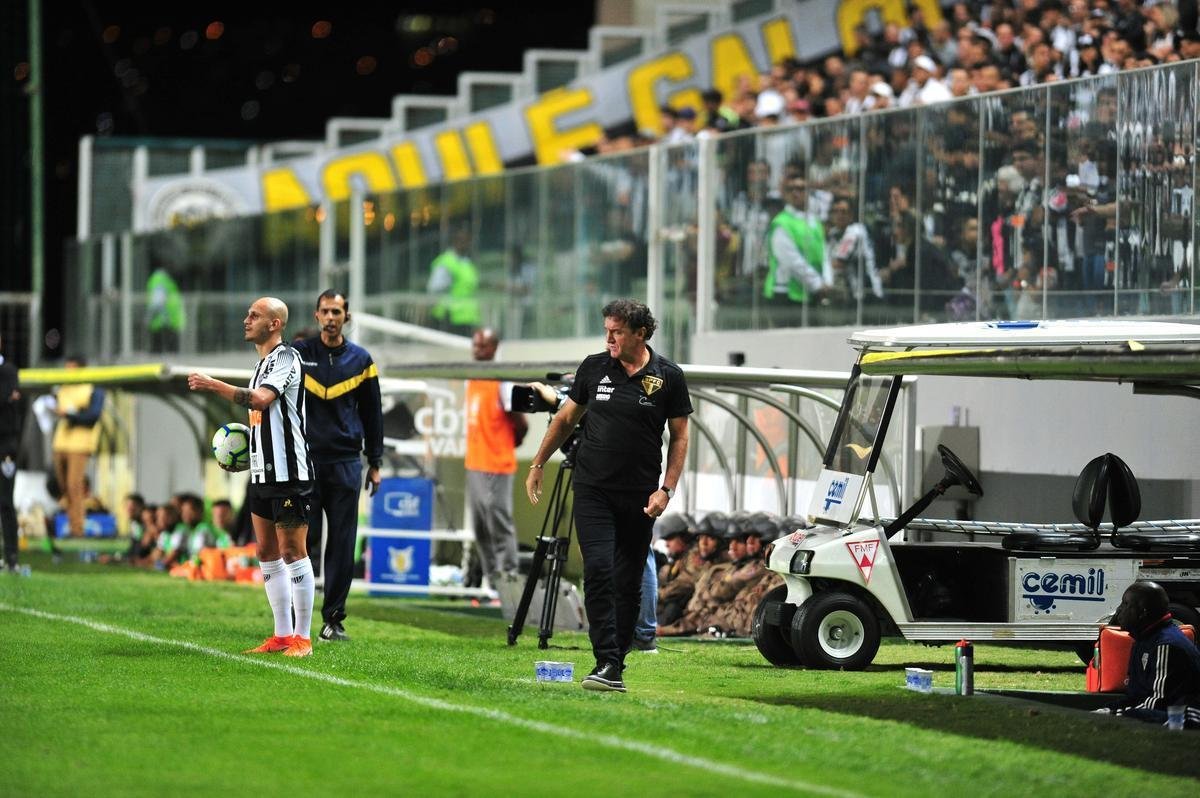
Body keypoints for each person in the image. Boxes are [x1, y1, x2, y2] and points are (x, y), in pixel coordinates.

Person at [525, 299, 691, 693]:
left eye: (616, 332)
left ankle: (615, 664)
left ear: (640, 333)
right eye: (606, 331)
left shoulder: (669, 376)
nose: (609, 339)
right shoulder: (594, 367)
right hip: (593, 489)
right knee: (598, 569)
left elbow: (681, 436)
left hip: (641, 496)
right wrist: (537, 463)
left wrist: (667, 490)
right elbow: (566, 418)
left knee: (629, 580)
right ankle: (605, 660)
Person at [188, 297, 316, 658]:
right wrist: (245, 456)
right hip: (262, 474)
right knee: (266, 551)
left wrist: (213, 385)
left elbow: (260, 400)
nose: (246, 320)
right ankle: (281, 635)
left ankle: (303, 639)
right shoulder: (260, 364)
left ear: (274, 324)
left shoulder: (287, 357)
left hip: (290, 474)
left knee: (293, 551)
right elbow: (263, 420)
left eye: (254, 315)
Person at [293, 290, 384, 643]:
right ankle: (294, 618)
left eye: (337, 311)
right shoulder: (300, 354)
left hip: (346, 462)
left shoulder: (362, 361)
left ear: (347, 317)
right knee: (304, 539)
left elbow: (373, 414)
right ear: (316, 316)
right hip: (307, 461)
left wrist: (375, 462)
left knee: (343, 544)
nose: (331, 317)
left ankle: (333, 620)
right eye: (325, 311)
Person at [464, 328, 526, 590]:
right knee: (480, 525)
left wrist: (509, 443)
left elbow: (521, 422)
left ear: (494, 348)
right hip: (474, 462)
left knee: (498, 521)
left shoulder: (502, 381)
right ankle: (493, 582)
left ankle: (509, 578)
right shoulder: (470, 378)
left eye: (483, 345)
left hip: (497, 463)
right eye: (475, 345)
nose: (477, 350)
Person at [1102, 581, 1200, 726]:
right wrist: (1106, 710)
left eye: (1125, 604)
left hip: (1181, 721)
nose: (1118, 610)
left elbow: (1157, 704)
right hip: (1162, 715)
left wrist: (1111, 715)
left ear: (1142, 612)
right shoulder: (1144, 639)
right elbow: (1135, 696)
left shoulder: (1166, 645)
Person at [52, 355, 105, 538]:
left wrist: (71, 415)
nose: (68, 372)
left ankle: (77, 529)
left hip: (80, 444)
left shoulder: (92, 388)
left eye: (72, 368)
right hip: (61, 442)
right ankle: (70, 523)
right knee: (63, 486)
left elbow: (92, 416)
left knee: (74, 485)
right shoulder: (63, 387)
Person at [427, 227, 481, 337]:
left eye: (467, 241)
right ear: (454, 241)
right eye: (461, 240)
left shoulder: (467, 263)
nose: (466, 244)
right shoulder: (446, 262)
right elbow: (435, 288)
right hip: (448, 317)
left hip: (467, 318)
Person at [0, 335, 21, 572]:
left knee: (5, 501)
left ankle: (12, 557)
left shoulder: (8, 371)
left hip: (5, 447)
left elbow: (8, 398)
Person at [146, 266, 184, 353]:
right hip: (164, 322)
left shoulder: (162, 280)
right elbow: (157, 301)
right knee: (167, 351)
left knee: (161, 351)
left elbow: (157, 301)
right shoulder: (160, 280)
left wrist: (149, 317)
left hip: (165, 322)